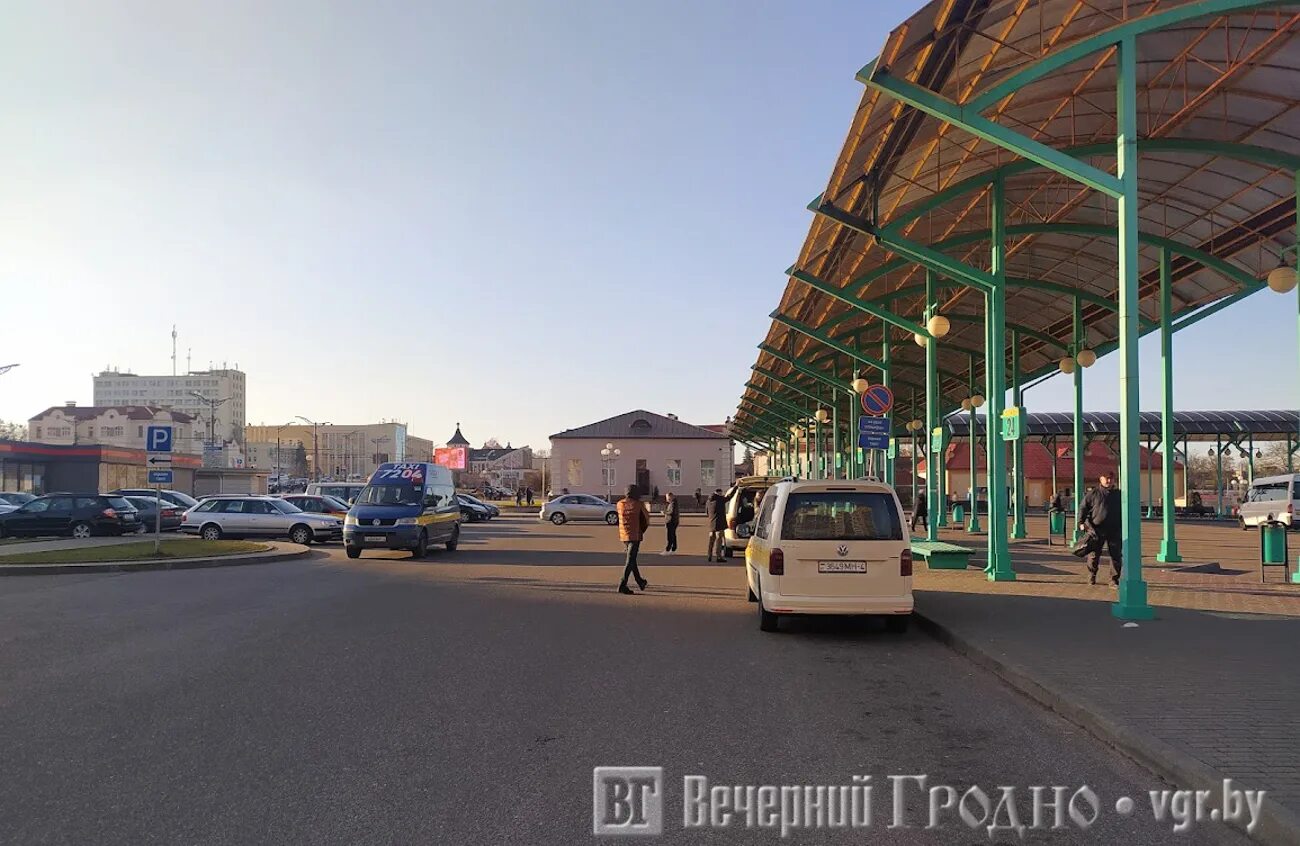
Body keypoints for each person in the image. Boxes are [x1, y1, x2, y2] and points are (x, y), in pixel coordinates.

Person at [1078, 472, 1123, 586]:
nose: (1109, 481)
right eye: (1106, 478)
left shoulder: (1119, 494)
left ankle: (1114, 579)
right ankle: (1092, 575)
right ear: (1101, 479)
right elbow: (1083, 507)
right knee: (1094, 554)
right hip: (1096, 529)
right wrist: (1081, 522)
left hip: (1115, 529)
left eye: (1111, 479)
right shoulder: (1093, 494)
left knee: (1116, 555)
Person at [616, 484, 649, 594]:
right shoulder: (638, 505)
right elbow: (645, 521)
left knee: (632, 559)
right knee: (630, 560)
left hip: (624, 535)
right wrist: (641, 531)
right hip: (635, 535)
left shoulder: (620, 504)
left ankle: (640, 581)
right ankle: (622, 584)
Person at [705, 488, 727, 562]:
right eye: (721, 493)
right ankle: (718, 556)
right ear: (719, 493)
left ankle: (709, 555)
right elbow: (729, 497)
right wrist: (736, 487)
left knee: (711, 540)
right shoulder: (720, 499)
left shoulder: (708, 501)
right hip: (719, 523)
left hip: (711, 524)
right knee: (719, 540)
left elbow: (707, 512)